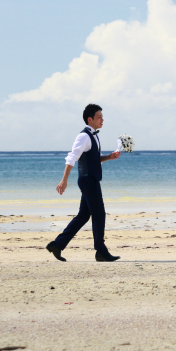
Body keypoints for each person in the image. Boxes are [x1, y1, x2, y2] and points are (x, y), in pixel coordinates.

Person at [46, 104, 121, 262]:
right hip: (88, 180)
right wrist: (64, 180)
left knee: (83, 216)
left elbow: (93, 159)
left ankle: (57, 245)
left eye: (102, 116)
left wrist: (109, 157)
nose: (102, 119)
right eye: (99, 117)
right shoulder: (84, 136)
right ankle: (100, 251)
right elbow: (72, 158)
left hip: (91, 179)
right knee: (99, 214)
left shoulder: (94, 136)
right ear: (90, 119)